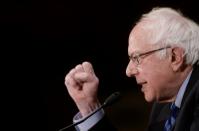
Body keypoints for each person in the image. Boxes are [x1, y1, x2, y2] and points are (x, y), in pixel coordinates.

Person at [64, 7, 199, 131]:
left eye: (136, 57)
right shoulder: (162, 107)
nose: (128, 71)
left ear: (174, 57)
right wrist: (89, 107)